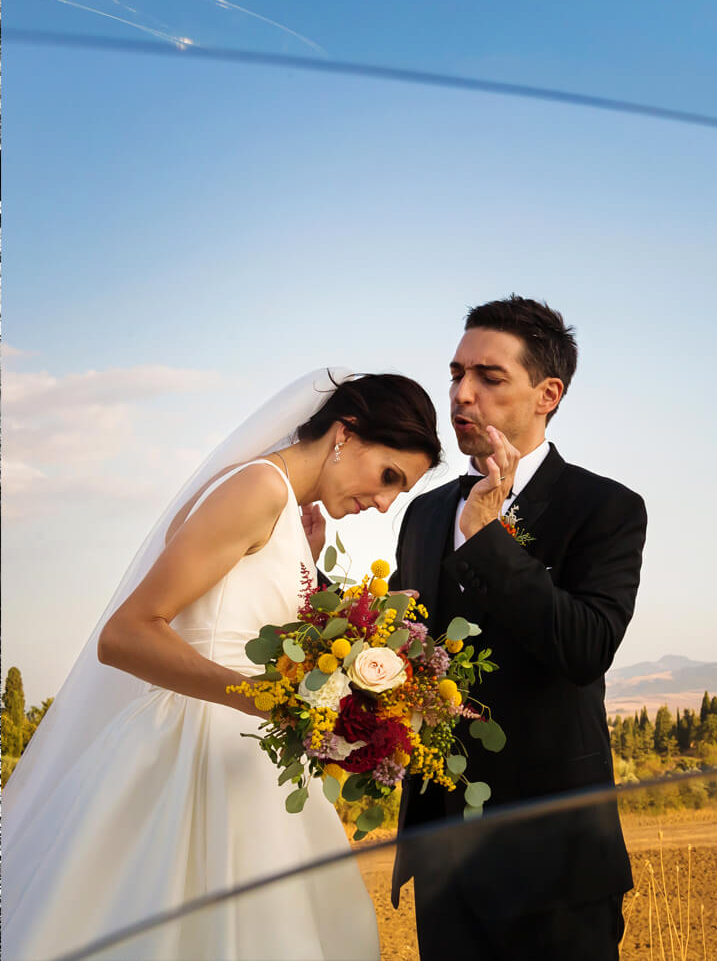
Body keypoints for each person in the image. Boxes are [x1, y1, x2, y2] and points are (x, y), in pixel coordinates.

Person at [1, 369, 444, 960]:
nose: (384, 502)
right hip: (192, 752)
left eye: (401, 492)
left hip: (248, 761)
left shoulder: (286, 508)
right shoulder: (258, 487)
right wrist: (272, 702)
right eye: (389, 475)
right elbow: (127, 635)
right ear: (346, 431)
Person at [389, 296, 646, 961]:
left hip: (557, 867)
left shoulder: (606, 508)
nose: (461, 393)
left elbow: (586, 647)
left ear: (547, 393)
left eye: (489, 376)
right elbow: (400, 648)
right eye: (455, 373)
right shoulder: (422, 513)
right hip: (444, 860)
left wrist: (488, 542)